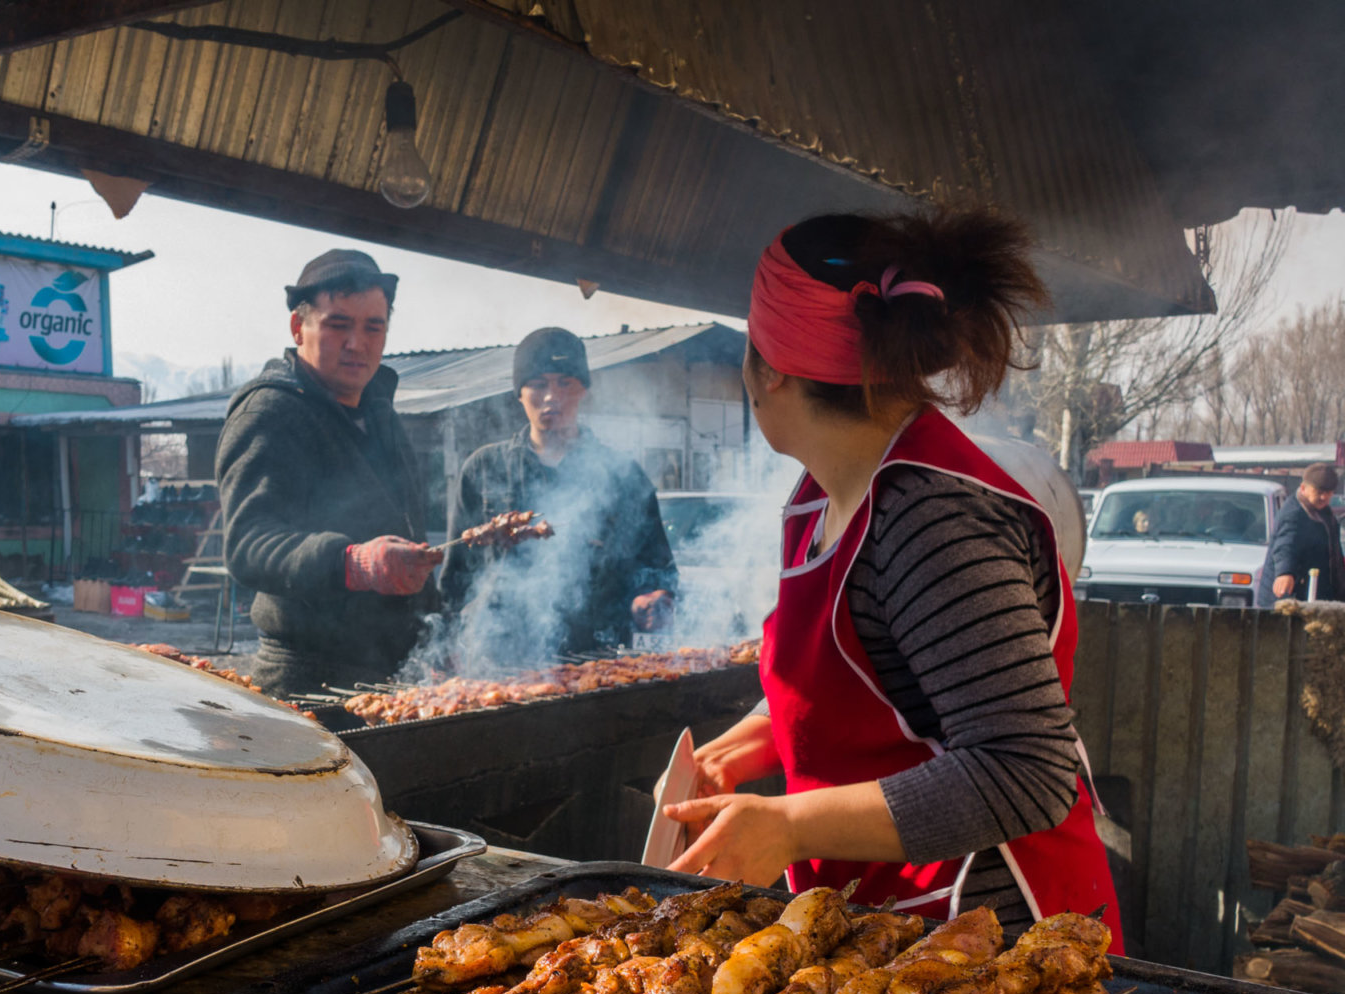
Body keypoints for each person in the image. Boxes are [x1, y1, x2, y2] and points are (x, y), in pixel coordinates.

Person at [661, 212, 1122, 949]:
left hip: (998, 941)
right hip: (889, 926)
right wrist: (752, 742)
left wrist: (788, 825)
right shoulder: (821, 497)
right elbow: (872, 685)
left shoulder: (930, 518)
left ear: (771, 368)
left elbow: (1026, 770)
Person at [216, 250, 439, 696]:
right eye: (339, 325)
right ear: (298, 328)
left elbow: (410, 530)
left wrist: (437, 627)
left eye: (373, 327)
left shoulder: (381, 413)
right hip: (307, 677)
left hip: (394, 672)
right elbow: (247, 544)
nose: (357, 343)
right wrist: (352, 564)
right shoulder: (270, 412)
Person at [437, 328, 678, 663]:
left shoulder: (624, 475)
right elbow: (456, 580)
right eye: (538, 384)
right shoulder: (483, 468)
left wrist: (651, 598)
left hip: (598, 657)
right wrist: (446, 647)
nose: (552, 396)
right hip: (500, 658)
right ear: (519, 393)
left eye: (565, 383)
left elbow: (658, 567)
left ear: (584, 390)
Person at [1265, 463, 1342, 602]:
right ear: (1303, 488)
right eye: (1319, 492)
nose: (1323, 497)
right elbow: (1286, 544)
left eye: (1328, 493)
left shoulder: (1325, 513)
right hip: (1292, 596)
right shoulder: (1294, 513)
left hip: (1319, 593)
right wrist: (1285, 572)